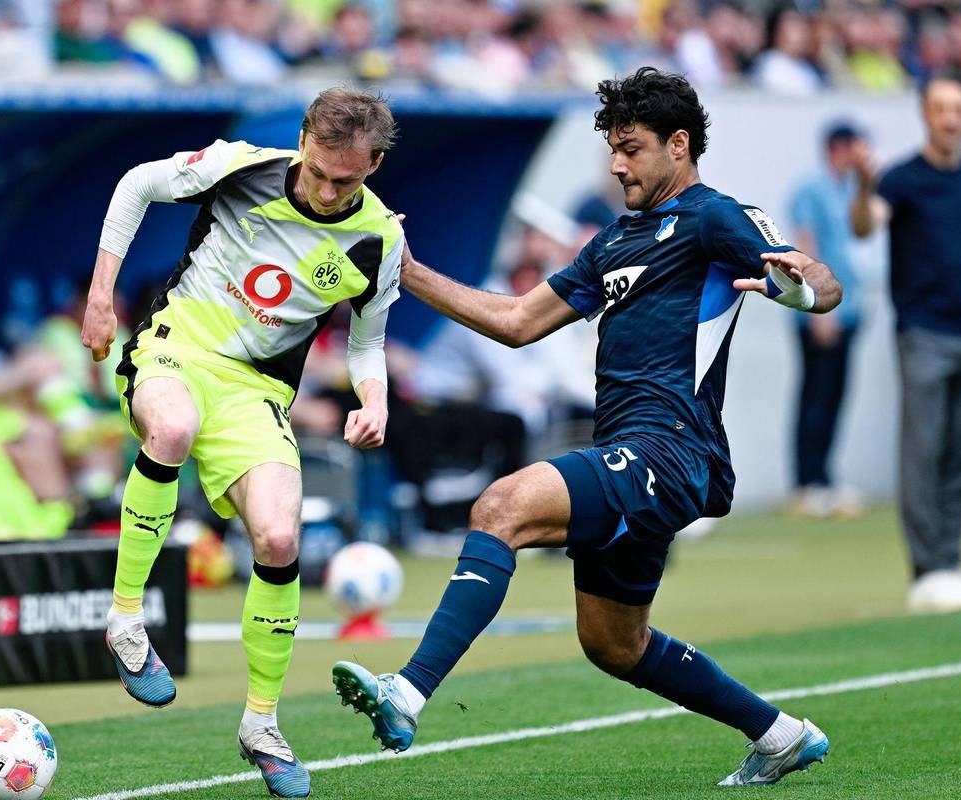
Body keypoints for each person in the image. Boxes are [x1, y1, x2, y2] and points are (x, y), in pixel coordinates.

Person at [332, 67, 842, 787]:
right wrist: (406, 270)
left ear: (678, 144)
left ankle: (407, 692)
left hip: (671, 447)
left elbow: (822, 283)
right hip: (629, 450)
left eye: (630, 147)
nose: (615, 163)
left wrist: (802, 287)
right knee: (613, 643)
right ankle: (780, 733)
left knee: (501, 506)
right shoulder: (612, 243)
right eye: (611, 146)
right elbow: (515, 322)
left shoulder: (713, 216)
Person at [81, 87, 403, 797]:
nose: (323, 189)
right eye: (317, 170)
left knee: (280, 540)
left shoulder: (380, 239)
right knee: (170, 428)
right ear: (303, 140)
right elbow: (136, 183)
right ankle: (126, 621)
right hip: (179, 345)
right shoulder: (243, 168)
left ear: (373, 165)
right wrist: (102, 297)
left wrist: (372, 400)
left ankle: (261, 724)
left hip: (256, 391)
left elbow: (367, 343)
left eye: (343, 179)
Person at [850, 74, 961, 613]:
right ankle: (927, 571)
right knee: (923, 452)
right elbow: (865, 227)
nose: (951, 118)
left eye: (959, 108)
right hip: (924, 333)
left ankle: (949, 565)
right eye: (940, 108)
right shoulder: (900, 179)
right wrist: (864, 185)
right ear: (925, 114)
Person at [786, 123, 866, 518]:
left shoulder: (852, 189)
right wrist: (815, 305)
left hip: (850, 308)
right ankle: (806, 481)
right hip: (822, 312)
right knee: (815, 395)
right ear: (839, 147)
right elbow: (806, 242)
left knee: (835, 395)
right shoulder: (812, 189)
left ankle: (824, 476)